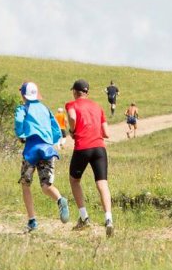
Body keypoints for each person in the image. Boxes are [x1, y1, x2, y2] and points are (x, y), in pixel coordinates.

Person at [15, 81, 69, 232]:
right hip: (47, 149)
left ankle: (32, 221)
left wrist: (21, 134)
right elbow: (56, 129)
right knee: (46, 185)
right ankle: (60, 199)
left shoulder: (23, 108)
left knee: (26, 184)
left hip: (31, 150)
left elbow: (19, 121)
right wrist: (50, 141)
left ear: (23, 95)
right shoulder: (45, 109)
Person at [65, 79, 113, 236]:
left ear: (74, 92)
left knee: (74, 180)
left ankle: (84, 217)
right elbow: (106, 133)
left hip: (83, 147)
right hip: (99, 148)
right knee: (102, 182)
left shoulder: (71, 105)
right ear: (87, 92)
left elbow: (72, 118)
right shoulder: (98, 107)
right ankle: (108, 219)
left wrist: (72, 131)